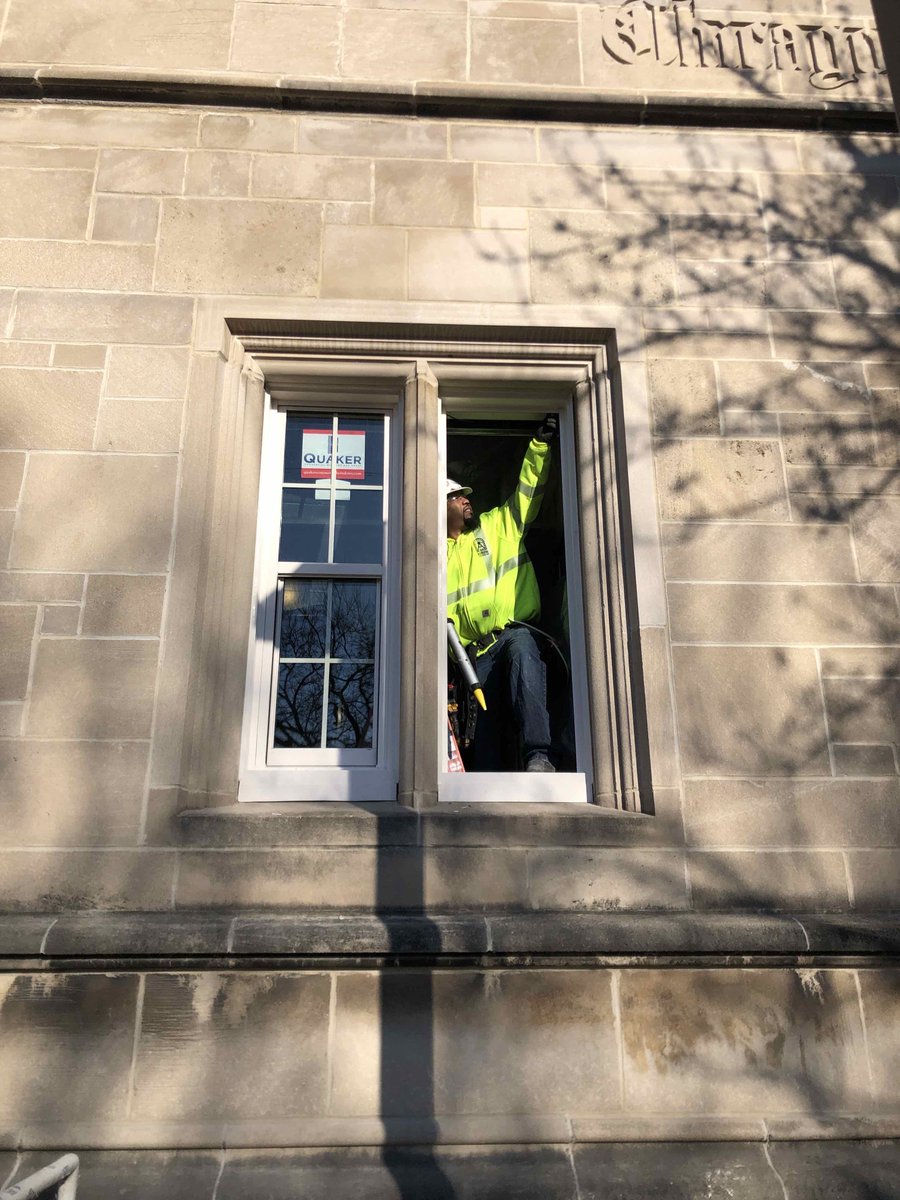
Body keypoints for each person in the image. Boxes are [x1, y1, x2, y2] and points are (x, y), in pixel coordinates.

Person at [446, 415, 558, 772]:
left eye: (465, 495)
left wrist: (539, 446)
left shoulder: (497, 525)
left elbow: (527, 492)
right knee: (483, 728)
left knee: (525, 662)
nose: (466, 499)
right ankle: (485, 781)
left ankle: (538, 755)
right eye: (456, 496)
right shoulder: (436, 556)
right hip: (473, 654)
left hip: (512, 633)